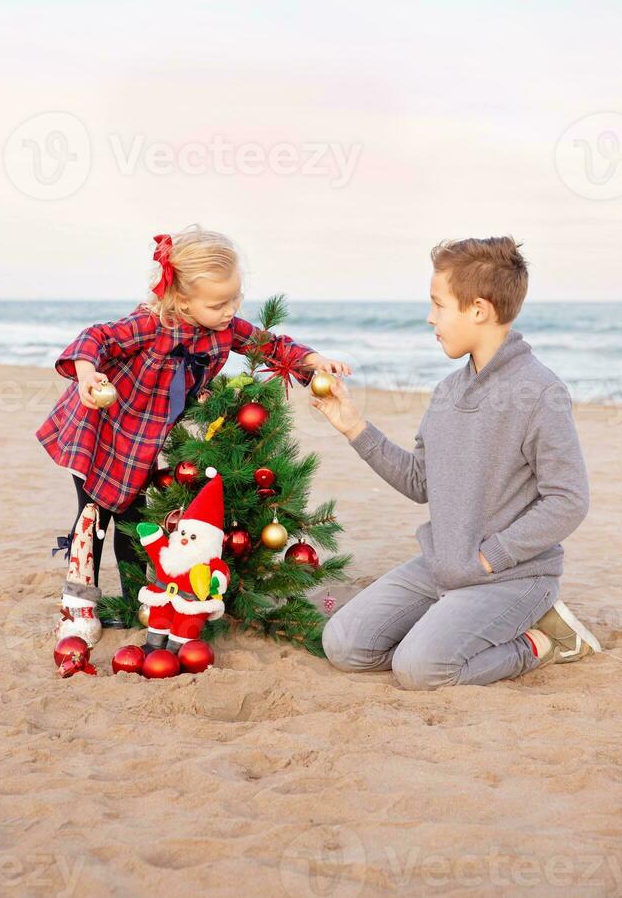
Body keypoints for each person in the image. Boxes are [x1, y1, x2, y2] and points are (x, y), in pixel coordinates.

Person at [312, 235, 601, 689]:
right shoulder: (447, 391)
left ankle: (538, 642)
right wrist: (353, 426)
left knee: (420, 669)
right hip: (441, 566)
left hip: (511, 576)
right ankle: (447, 622)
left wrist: (490, 557)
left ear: (479, 310)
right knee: (345, 645)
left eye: (439, 304)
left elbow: (568, 499)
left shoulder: (541, 392)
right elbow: (418, 481)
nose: (430, 317)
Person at [36, 225, 351, 626]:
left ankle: (136, 604)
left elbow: (271, 346)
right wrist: (86, 375)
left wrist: (314, 361)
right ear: (182, 302)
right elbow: (96, 337)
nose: (231, 309)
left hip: (143, 438)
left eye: (236, 297)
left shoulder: (225, 328)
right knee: (94, 514)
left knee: (134, 520)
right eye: (219, 303)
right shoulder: (151, 324)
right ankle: (80, 604)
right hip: (101, 425)